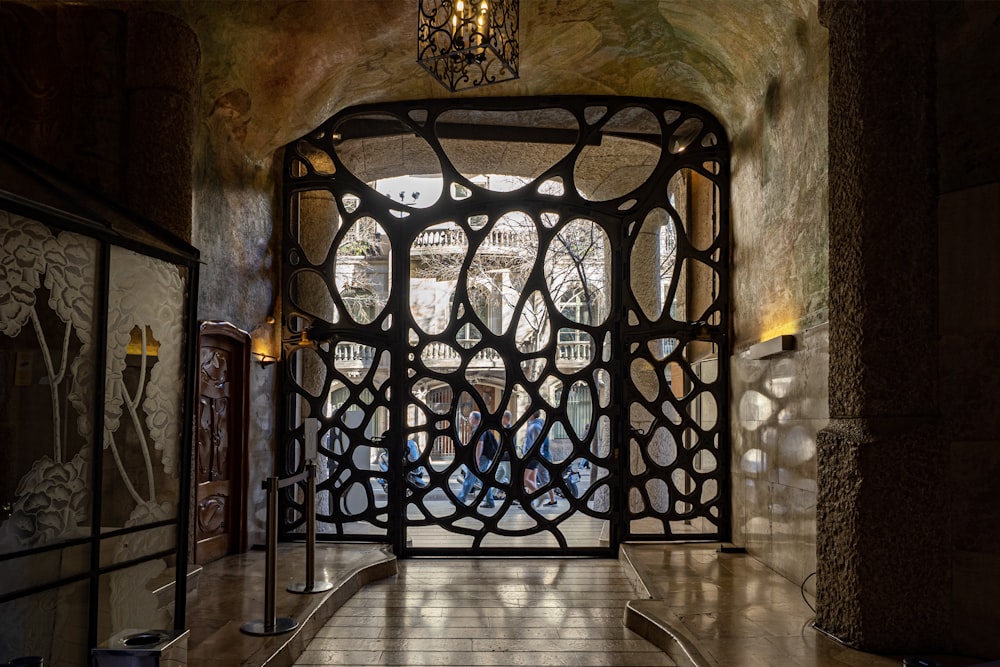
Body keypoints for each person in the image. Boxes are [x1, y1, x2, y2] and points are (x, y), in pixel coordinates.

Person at [457, 411, 497, 508]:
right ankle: (490, 501)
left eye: (470, 418)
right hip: (485, 457)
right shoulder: (484, 428)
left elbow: (480, 444)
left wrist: (477, 459)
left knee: (470, 477)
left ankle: (461, 498)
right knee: (483, 480)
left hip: (481, 458)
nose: (469, 420)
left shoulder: (478, 429)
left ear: (475, 419)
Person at [523, 409, 557, 507]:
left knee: (526, 479)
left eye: (527, 412)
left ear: (532, 414)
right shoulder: (533, 425)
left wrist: (533, 454)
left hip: (533, 457)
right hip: (533, 456)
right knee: (532, 479)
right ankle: (530, 501)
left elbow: (538, 443)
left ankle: (540, 495)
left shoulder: (535, 426)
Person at [494, 410, 515, 498]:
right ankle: (493, 494)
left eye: (502, 417)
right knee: (497, 477)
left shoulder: (509, 430)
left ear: (506, 418)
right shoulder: (504, 429)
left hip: (507, 458)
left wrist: (505, 453)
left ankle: (513, 496)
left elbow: (510, 444)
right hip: (502, 458)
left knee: (510, 478)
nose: (501, 419)